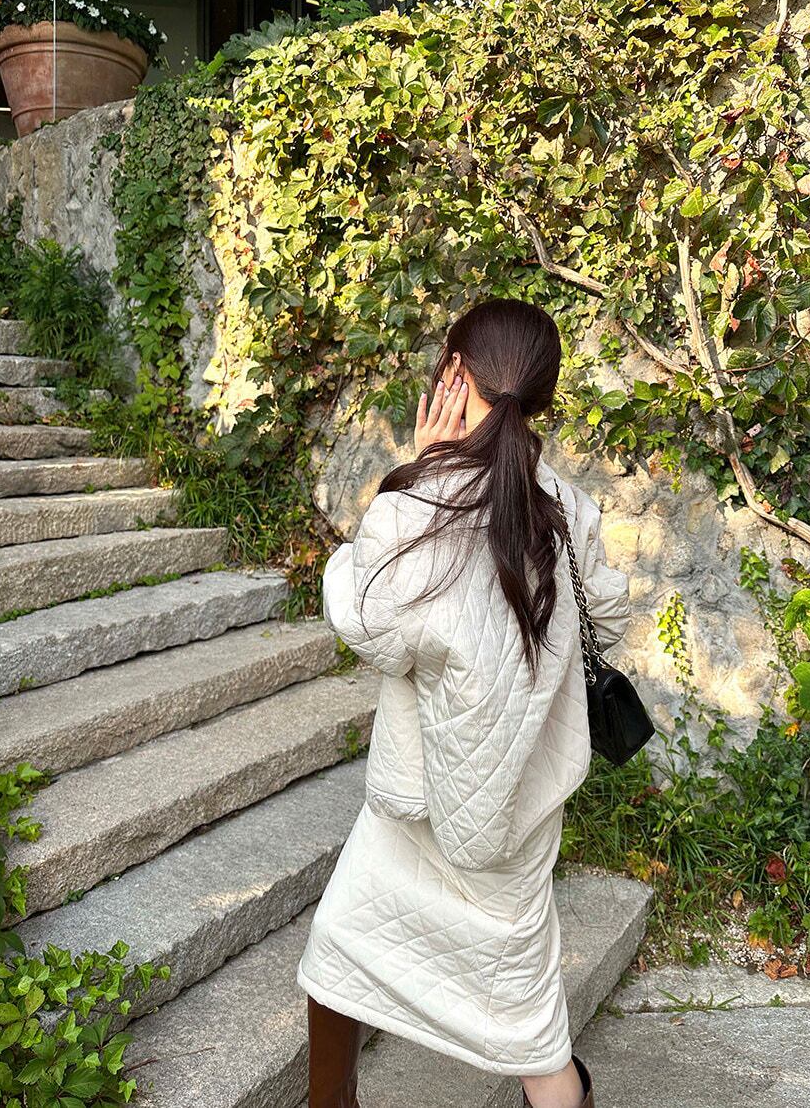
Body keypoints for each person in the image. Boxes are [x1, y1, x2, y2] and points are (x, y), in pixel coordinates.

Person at [297, 297, 633, 1108]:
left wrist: (417, 474)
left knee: (339, 957)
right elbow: (609, 620)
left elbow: (367, 620)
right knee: (530, 1027)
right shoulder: (569, 508)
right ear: (542, 395)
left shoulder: (426, 503)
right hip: (520, 803)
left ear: (454, 373)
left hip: (417, 801)